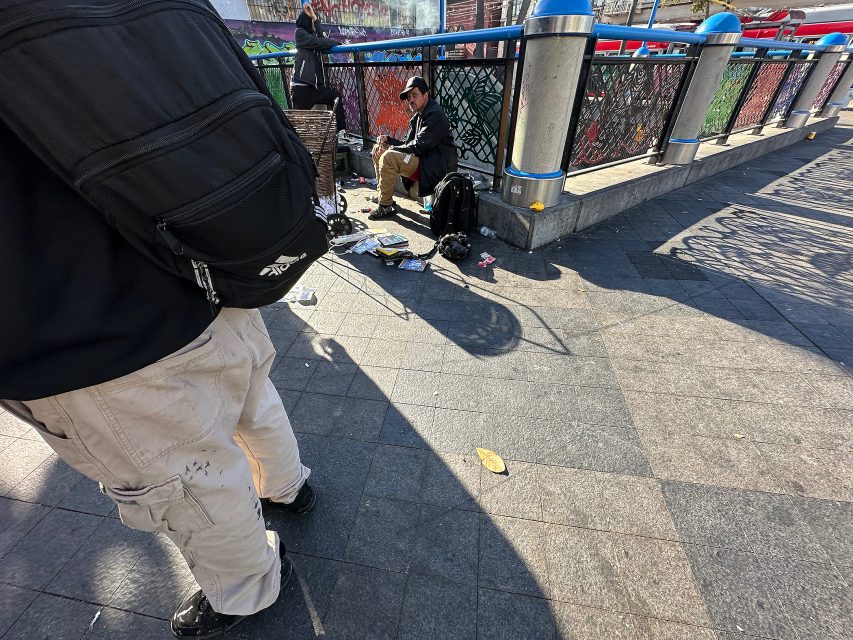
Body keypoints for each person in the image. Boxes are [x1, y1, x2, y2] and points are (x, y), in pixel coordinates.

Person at [0, 5, 318, 640]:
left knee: (190, 481)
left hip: (91, 330)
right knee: (251, 395)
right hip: (212, 263)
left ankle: (248, 590)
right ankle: (288, 487)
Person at [368, 76, 458, 219]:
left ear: (426, 95)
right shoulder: (418, 115)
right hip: (423, 159)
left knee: (388, 156)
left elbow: (418, 146)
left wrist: (391, 150)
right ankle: (382, 196)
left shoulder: (435, 115)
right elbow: (408, 143)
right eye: (409, 97)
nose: (410, 100)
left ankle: (385, 206)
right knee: (377, 150)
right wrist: (388, 141)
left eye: (414, 95)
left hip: (435, 167)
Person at [291, 3, 346, 135]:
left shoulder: (310, 37)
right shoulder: (300, 33)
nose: (314, 26)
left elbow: (322, 39)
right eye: (312, 22)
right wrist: (335, 42)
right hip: (301, 87)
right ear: (306, 22)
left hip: (313, 88)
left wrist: (315, 18)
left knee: (335, 97)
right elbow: (321, 42)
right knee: (300, 124)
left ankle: (341, 132)